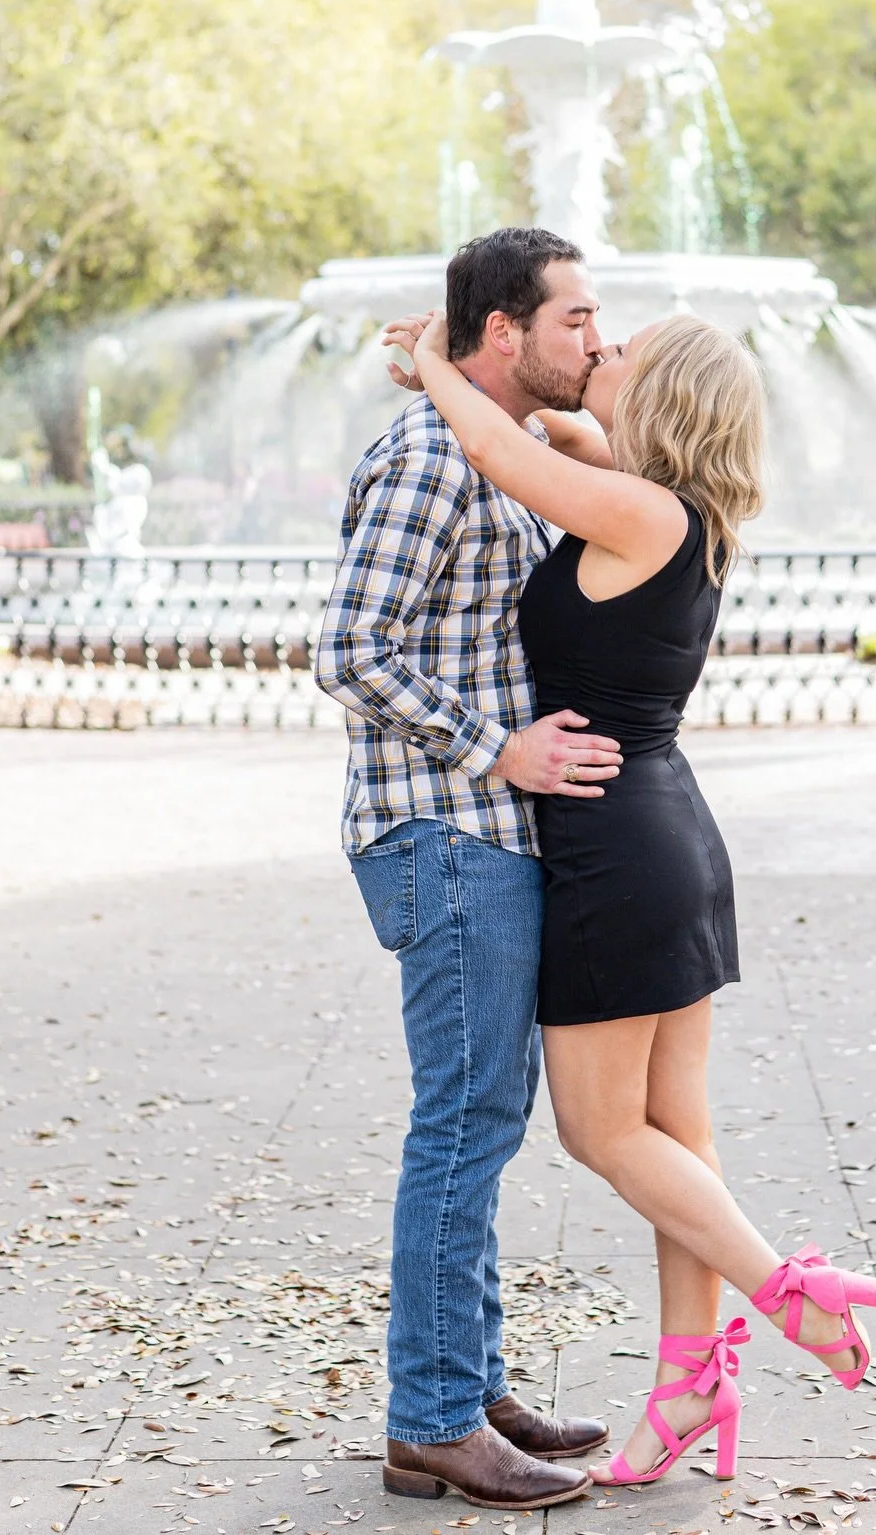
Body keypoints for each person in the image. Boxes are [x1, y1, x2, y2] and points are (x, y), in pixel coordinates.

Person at [402, 301, 876, 1490]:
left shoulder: (642, 512)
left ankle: (789, 1290)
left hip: (615, 855)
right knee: (680, 1132)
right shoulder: (682, 510)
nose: (602, 348)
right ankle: (689, 1381)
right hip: (669, 838)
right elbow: (555, 435)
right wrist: (510, 380)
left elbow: (500, 447)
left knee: (602, 1130)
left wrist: (430, 358)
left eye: (624, 349)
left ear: (663, 392)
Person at [314, 227, 629, 1512]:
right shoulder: (430, 457)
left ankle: (468, 1384)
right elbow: (349, 649)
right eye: (575, 319)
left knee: (483, 1118)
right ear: (503, 330)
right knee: (463, 1123)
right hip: (443, 831)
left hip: (479, 833)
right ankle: (435, 1417)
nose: (596, 338)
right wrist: (500, 747)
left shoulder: (493, 445)